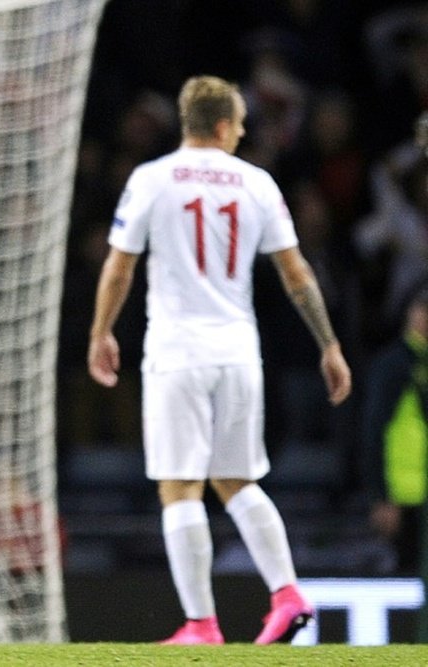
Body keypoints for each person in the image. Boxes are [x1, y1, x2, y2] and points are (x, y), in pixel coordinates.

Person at [86, 75, 352, 645]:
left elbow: (119, 266)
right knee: (238, 480)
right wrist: (329, 344)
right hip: (238, 351)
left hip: (179, 352)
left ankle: (202, 624)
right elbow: (297, 272)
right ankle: (287, 593)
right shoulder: (256, 182)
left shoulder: (153, 179)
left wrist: (101, 332)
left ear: (188, 122)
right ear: (226, 125)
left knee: (180, 488)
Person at [360, 284, 428, 574]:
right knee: (410, 576)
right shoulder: (394, 364)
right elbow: (374, 430)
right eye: (423, 308)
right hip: (405, 496)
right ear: (410, 313)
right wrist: (381, 496)